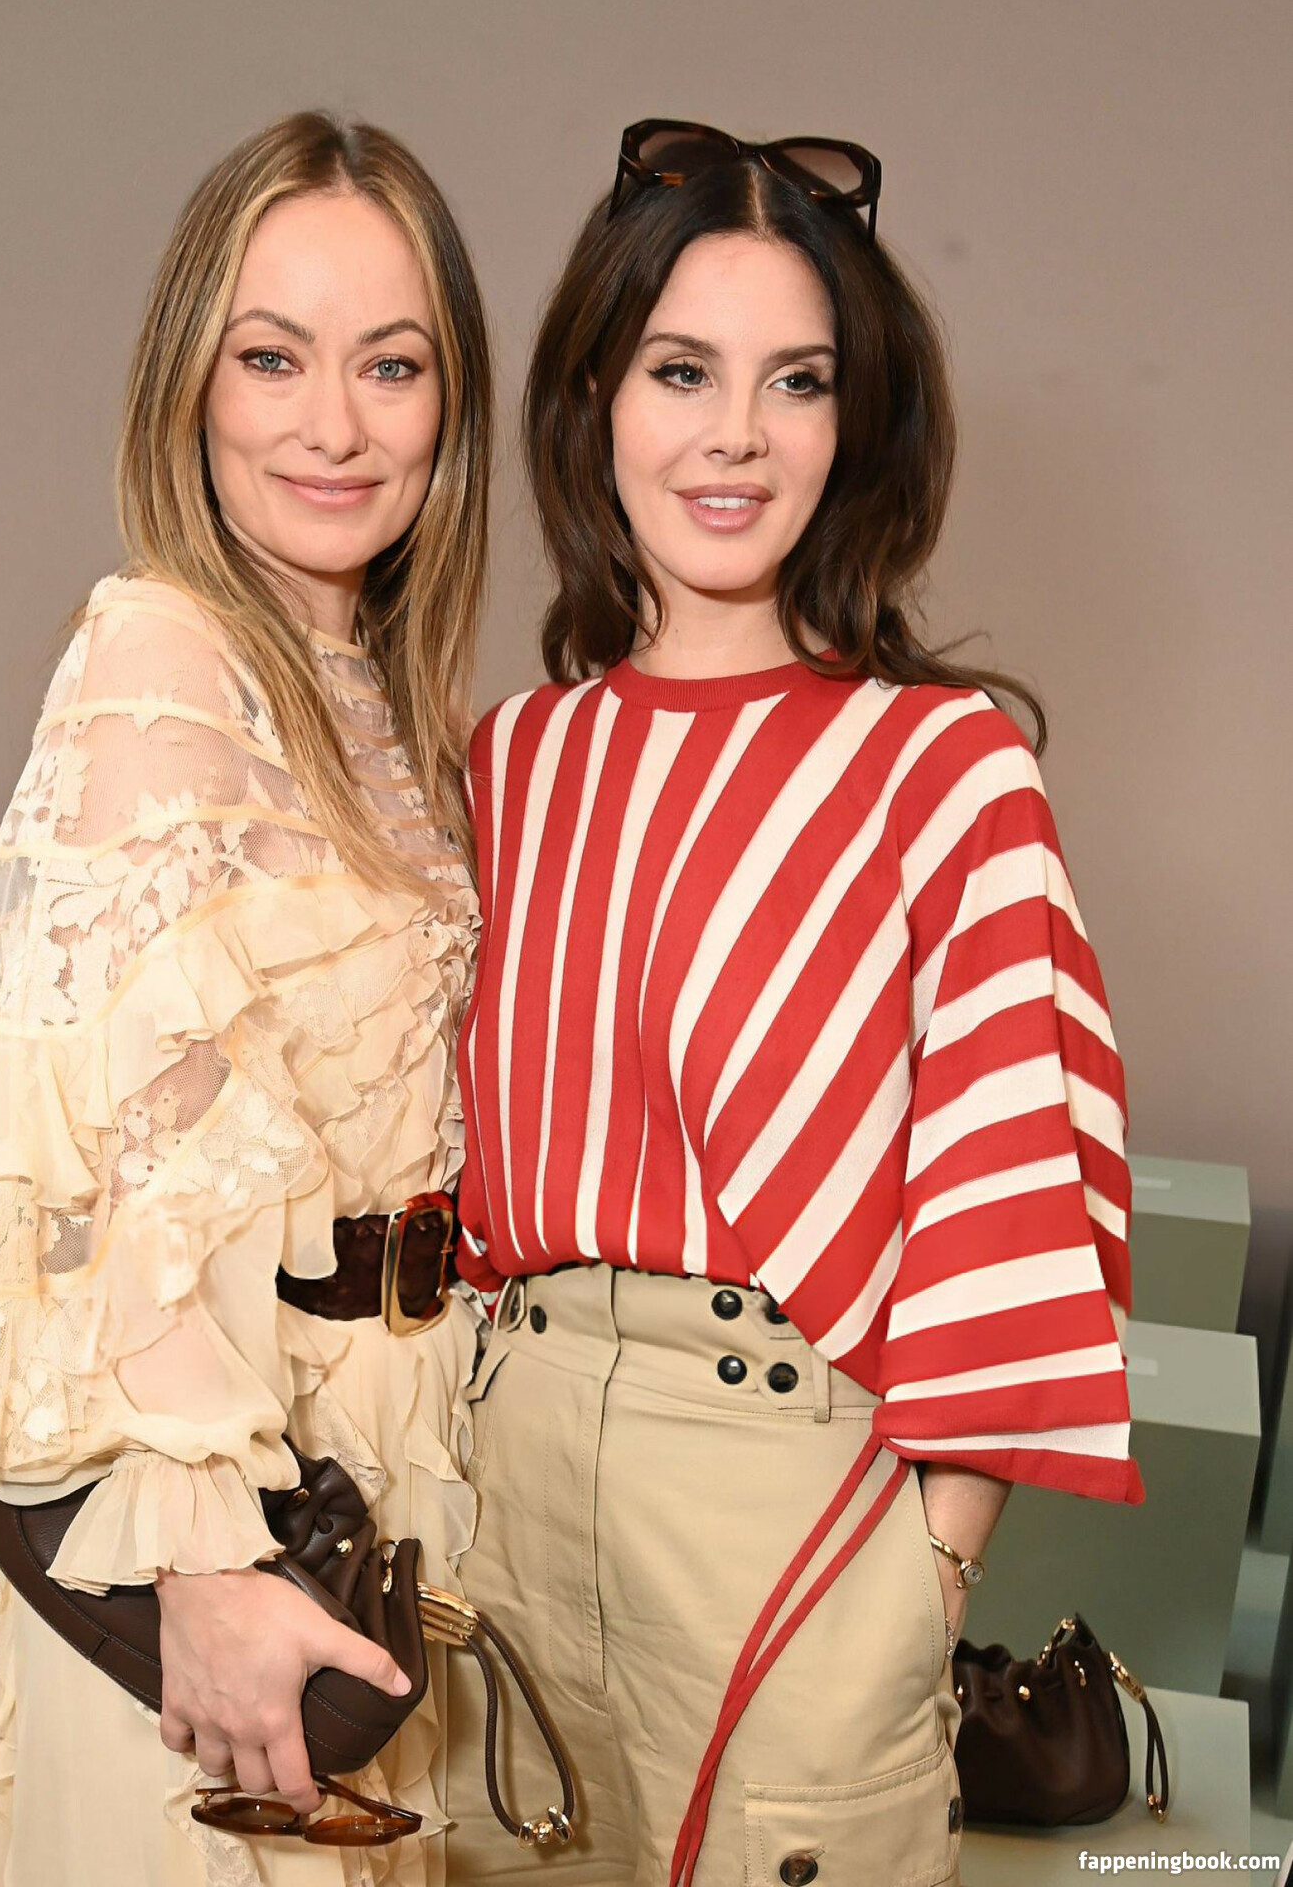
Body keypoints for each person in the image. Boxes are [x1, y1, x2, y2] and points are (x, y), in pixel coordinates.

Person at [447, 121, 1140, 1887]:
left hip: (789, 1507)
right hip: (495, 1486)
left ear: (857, 423)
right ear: (594, 396)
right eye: (681, 370)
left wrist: (928, 1583)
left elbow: (1013, 1195)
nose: (737, 433)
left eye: (799, 380)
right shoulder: (516, 762)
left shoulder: (943, 766)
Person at [0, 112, 491, 1886]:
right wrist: (204, 1568)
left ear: (449, 404)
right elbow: (93, 1183)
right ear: (188, 385)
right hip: (225, 1523)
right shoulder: (162, 654)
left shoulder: (379, 693)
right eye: (271, 357)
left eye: (392, 364)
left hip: (377, 1465)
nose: (334, 424)